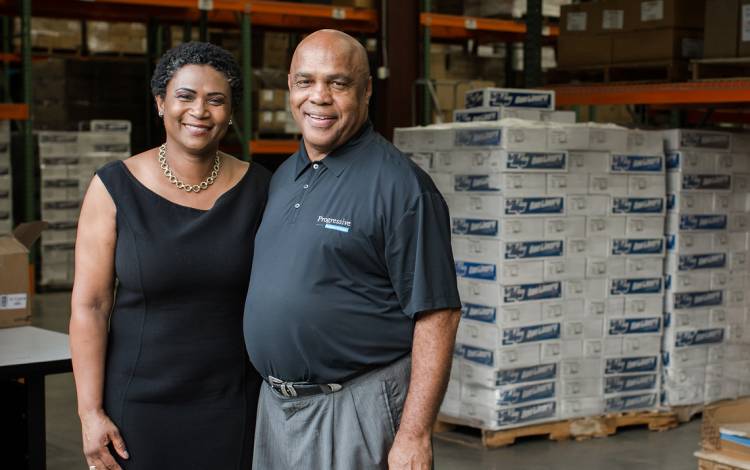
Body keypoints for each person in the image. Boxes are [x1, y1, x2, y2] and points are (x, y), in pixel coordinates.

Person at [244, 29, 462, 470]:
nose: (318, 97)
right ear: (290, 87)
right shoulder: (285, 175)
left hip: (353, 407)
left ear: (365, 91)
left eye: (337, 83)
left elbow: (438, 315)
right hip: (276, 407)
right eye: (305, 82)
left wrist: (415, 435)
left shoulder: (402, 188)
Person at [70, 42, 270, 470]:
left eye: (216, 100)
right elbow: (90, 305)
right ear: (161, 102)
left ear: (230, 112)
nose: (200, 110)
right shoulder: (113, 188)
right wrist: (90, 413)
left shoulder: (260, 189)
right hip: (138, 407)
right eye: (185, 96)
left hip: (232, 403)